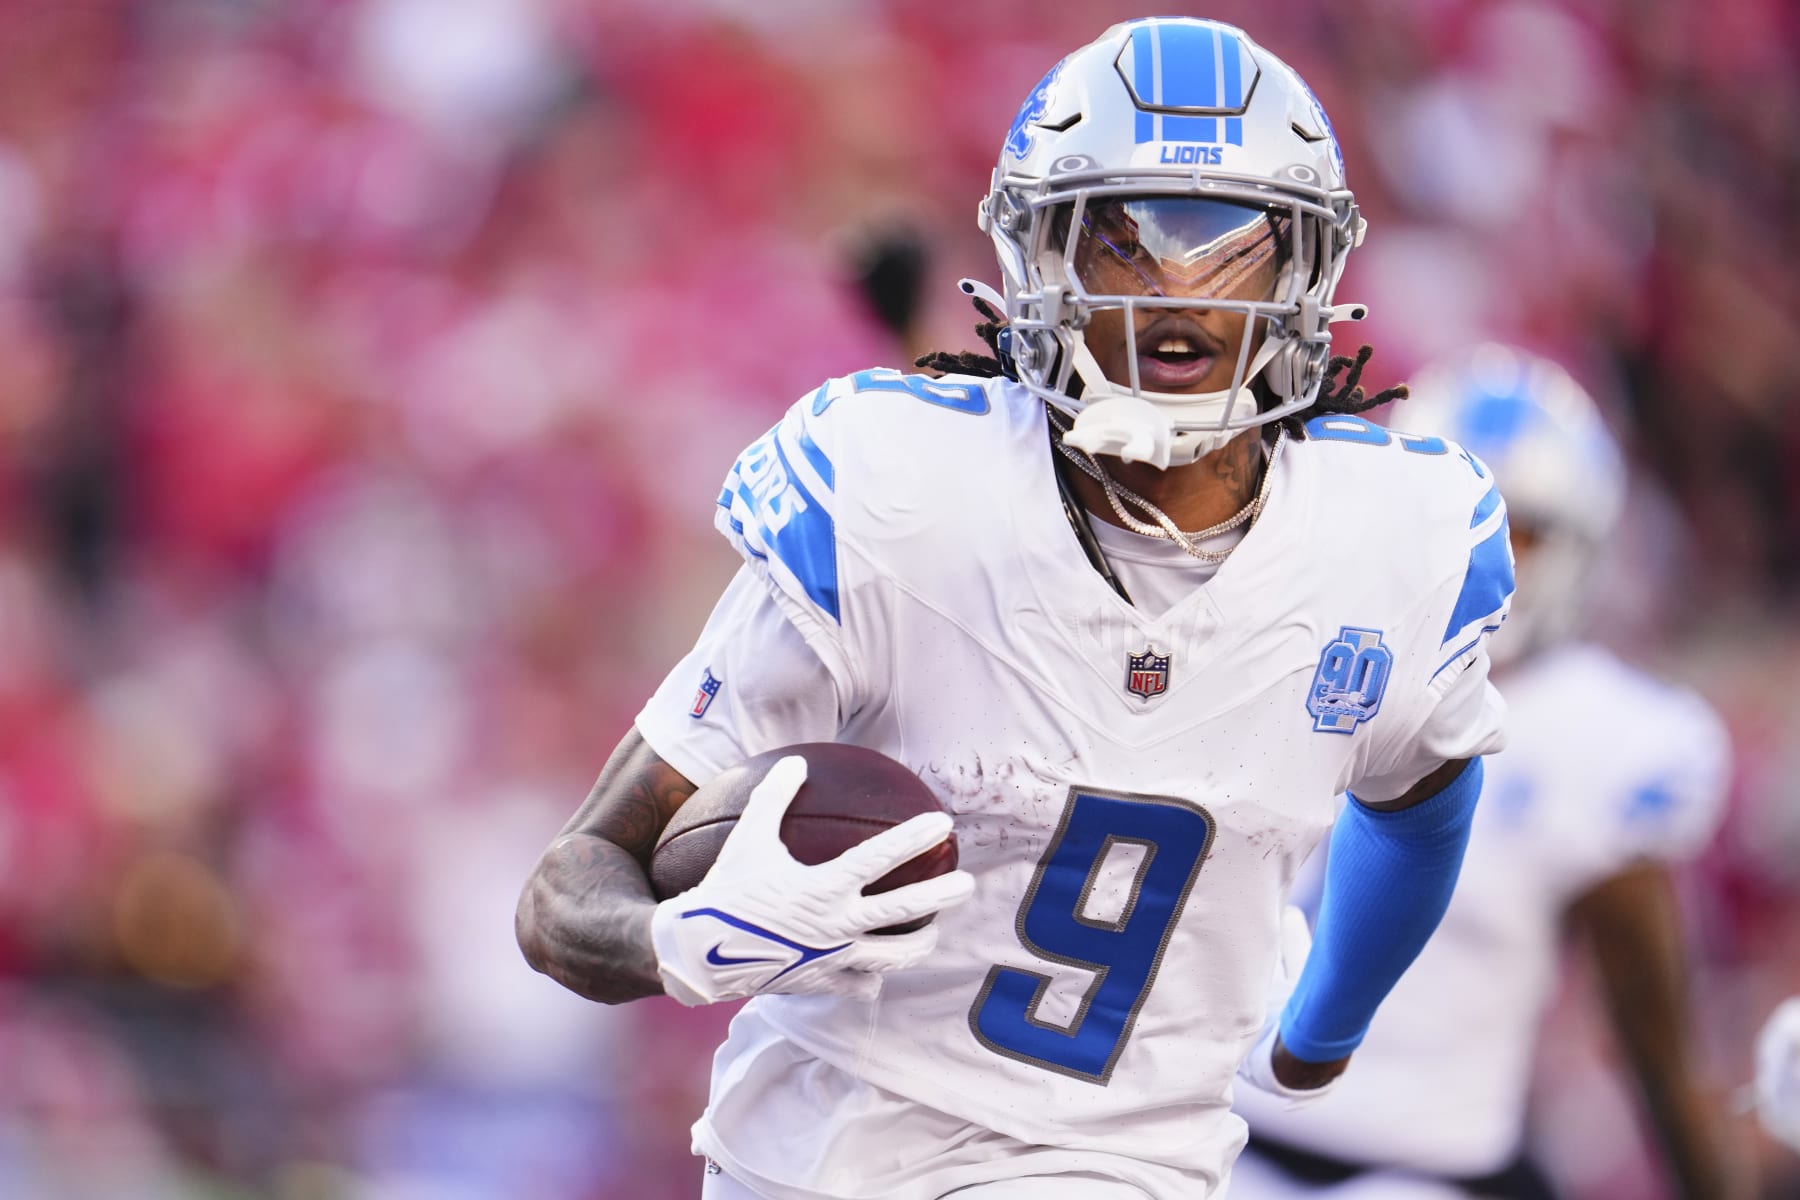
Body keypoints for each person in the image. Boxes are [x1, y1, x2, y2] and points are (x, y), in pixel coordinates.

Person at [516, 18, 1514, 1198]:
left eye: (1227, 241)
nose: (1174, 288)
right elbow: (570, 885)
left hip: (1119, 1166)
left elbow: (1425, 800)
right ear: (1039, 259)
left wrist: (1321, 1032)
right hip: (808, 1160)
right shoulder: (903, 497)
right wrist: (680, 943)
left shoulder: (1390, 540)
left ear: (1306, 270)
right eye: (1123, 240)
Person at [1229, 345, 1749, 1200]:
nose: (1490, 556)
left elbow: (1657, 1044)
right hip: (1221, 1140)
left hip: (1438, 1170)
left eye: (1523, 530)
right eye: (1464, 518)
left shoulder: (1610, 741)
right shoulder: (1284, 646)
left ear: (1578, 545)